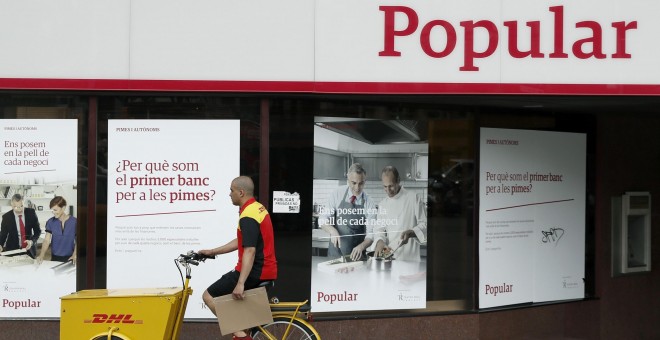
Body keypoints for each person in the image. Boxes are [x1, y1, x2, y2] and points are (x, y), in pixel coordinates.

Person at [199, 176, 277, 340]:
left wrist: (240, 283)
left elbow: (249, 250)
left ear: (241, 193)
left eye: (231, 190)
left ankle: (241, 336)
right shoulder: (257, 208)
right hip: (266, 269)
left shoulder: (248, 216)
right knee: (243, 320)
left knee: (208, 296)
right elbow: (242, 241)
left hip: (255, 271)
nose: (229, 194)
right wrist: (213, 252)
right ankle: (242, 333)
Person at [318, 163, 377, 261]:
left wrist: (361, 247)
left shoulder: (369, 203)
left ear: (365, 181)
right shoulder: (337, 194)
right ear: (348, 180)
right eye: (353, 183)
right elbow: (322, 219)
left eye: (361, 183)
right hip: (335, 255)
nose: (357, 188)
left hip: (357, 257)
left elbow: (371, 234)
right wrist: (332, 231)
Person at [373, 166, 427, 262]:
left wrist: (412, 232)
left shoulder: (413, 198)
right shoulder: (383, 204)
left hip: (411, 259)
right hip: (390, 257)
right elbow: (379, 229)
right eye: (385, 186)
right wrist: (380, 241)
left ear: (398, 181)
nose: (388, 190)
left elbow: (425, 224)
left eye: (391, 186)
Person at [36, 196, 76, 264]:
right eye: (52, 210)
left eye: (55, 210)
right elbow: (46, 240)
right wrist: (41, 255)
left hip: (70, 257)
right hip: (55, 257)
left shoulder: (75, 222)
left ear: (63, 208)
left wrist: (74, 255)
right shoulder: (50, 222)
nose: (53, 212)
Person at [0, 194, 41, 258]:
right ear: (12, 205)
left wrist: (31, 241)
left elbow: (37, 231)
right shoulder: (6, 217)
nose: (19, 209)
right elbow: (3, 235)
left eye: (21, 206)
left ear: (24, 203)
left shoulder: (31, 213)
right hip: (12, 250)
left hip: (29, 249)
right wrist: (0, 245)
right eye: (16, 207)